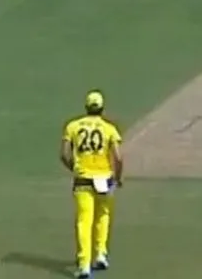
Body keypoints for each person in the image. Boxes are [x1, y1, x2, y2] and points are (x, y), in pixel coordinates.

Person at [61, 91, 124, 277]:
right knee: (103, 215)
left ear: (86, 107)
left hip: (83, 179)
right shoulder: (109, 128)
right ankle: (101, 254)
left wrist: (74, 168)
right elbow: (119, 157)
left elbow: (64, 154)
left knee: (84, 221)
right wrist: (118, 177)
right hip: (104, 178)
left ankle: (84, 264)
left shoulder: (73, 126)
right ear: (102, 108)